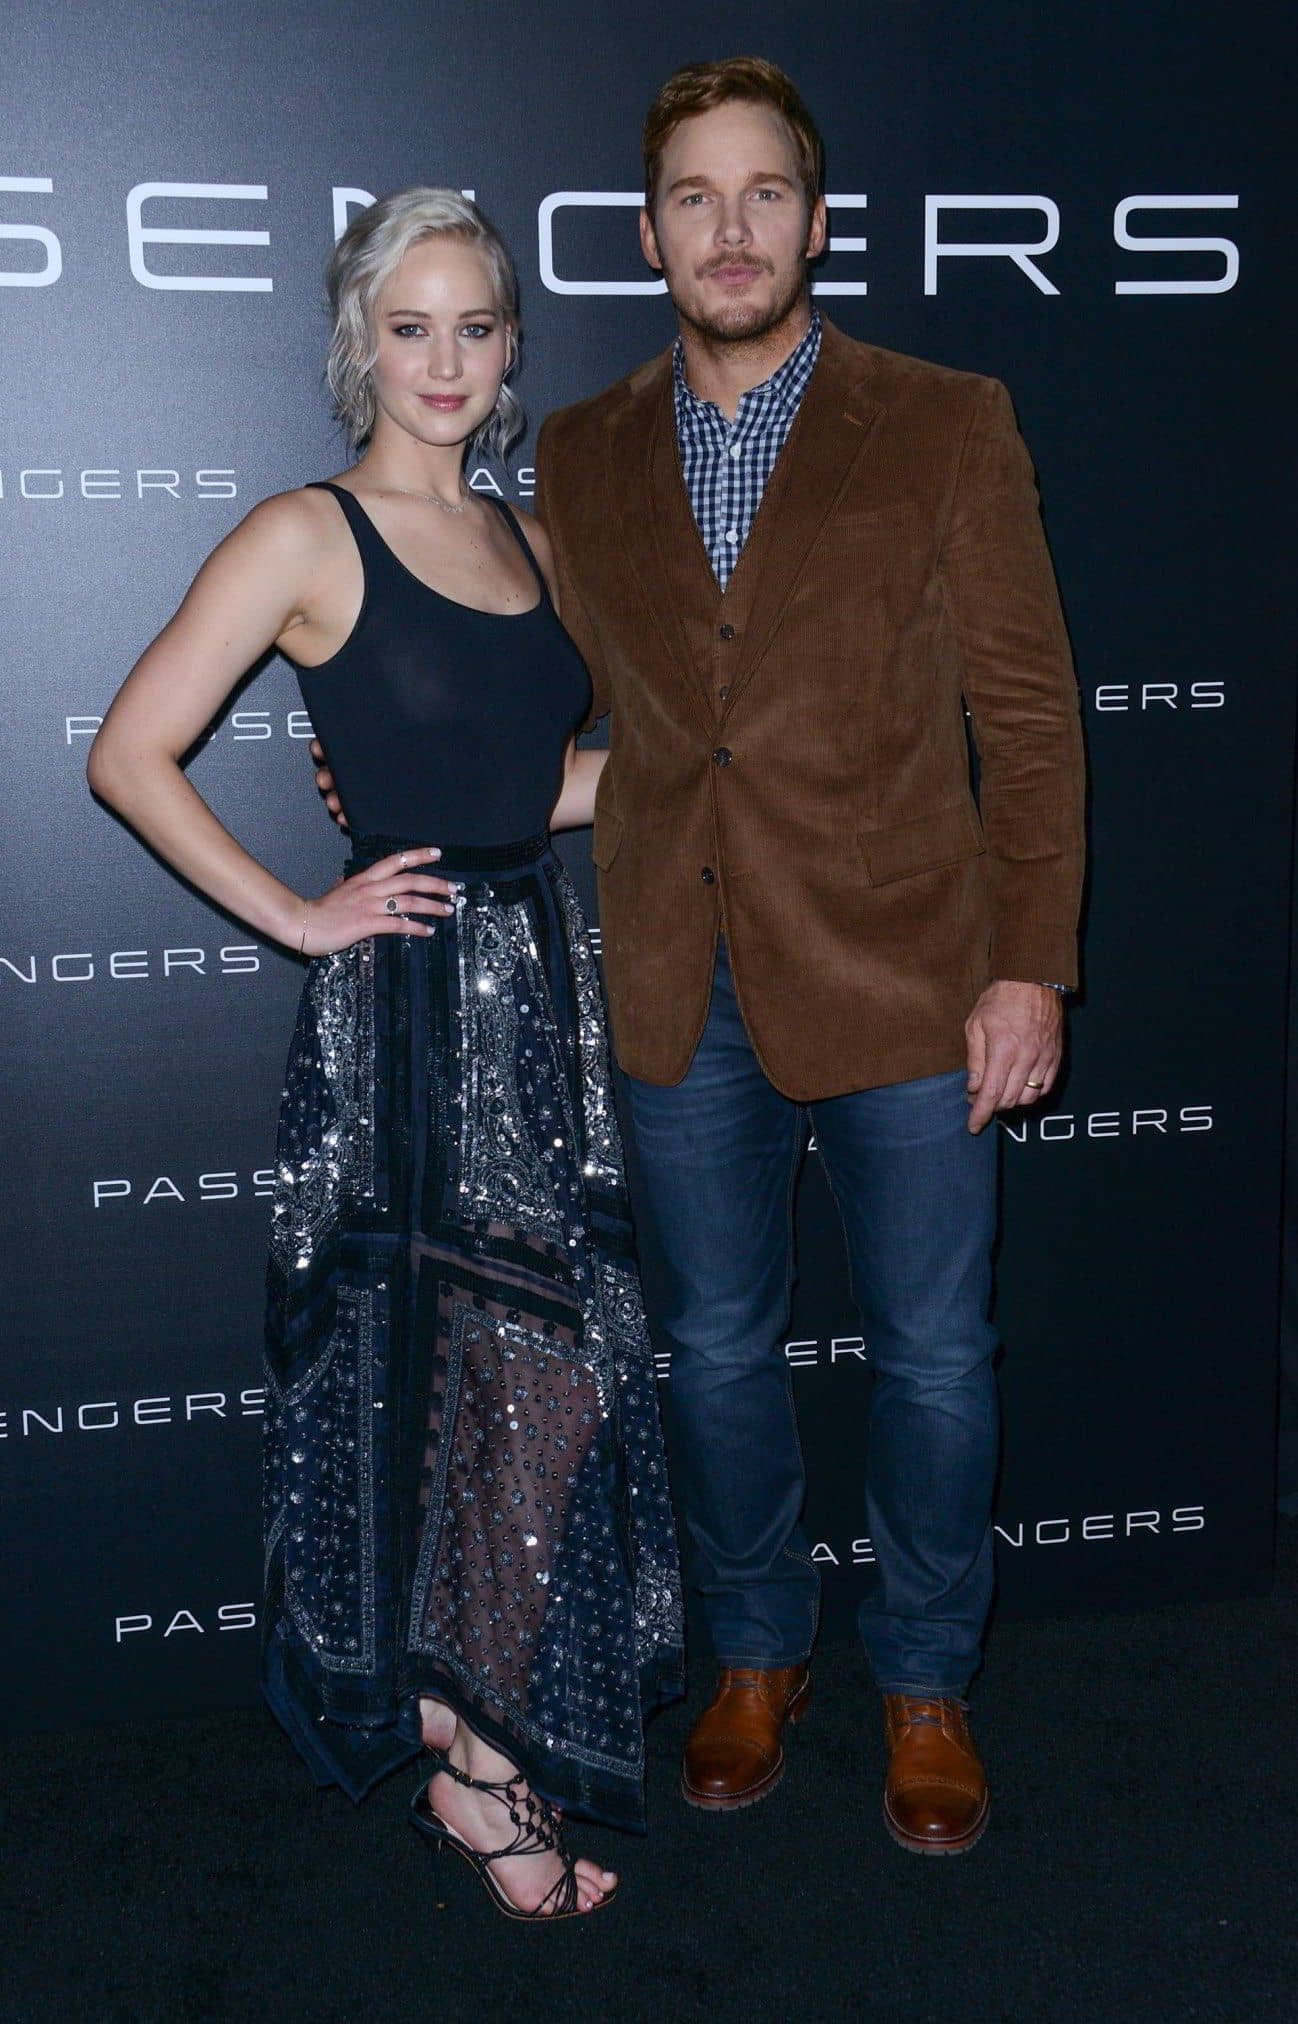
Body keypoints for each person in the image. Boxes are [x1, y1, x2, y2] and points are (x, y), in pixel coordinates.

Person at [314, 60, 1086, 1856]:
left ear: (811, 222)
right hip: (676, 978)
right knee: (715, 1354)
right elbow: (553, 698)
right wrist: (405, 764)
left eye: (761, 194)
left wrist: (1026, 966)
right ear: (649, 232)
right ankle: (757, 1651)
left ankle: (923, 1678)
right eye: (692, 197)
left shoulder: (943, 419)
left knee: (934, 1360)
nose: (728, 230)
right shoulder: (582, 452)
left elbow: (1031, 719)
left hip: (912, 973)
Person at [87, 188, 683, 1920]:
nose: (443, 360)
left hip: (541, 995)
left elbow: (540, 782)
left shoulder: (534, 539)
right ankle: (477, 1772)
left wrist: (706, 772)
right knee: (441, 1373)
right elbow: (129, 753)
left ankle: (464, 1725)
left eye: (474, 326)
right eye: (410, 326)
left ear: (510, 347)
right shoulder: (303, 533)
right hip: (407, 1015)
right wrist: (297, 913)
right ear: (361, 340)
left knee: (548, 1379)